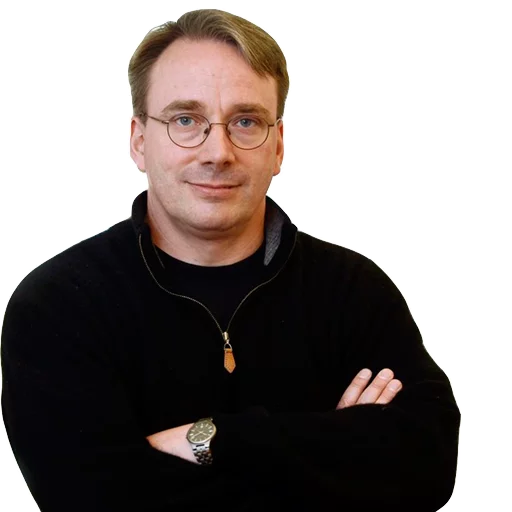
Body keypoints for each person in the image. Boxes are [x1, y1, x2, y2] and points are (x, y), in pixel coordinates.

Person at [1, 8, 460, 511]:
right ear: (139, 141)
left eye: (246, 121)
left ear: (278, 146)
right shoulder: (59, 305)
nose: (217, 152)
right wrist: (337, 453)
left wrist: (215, 440)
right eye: (185, 120)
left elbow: (428, 466)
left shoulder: (354, 291)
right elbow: (91, 500)